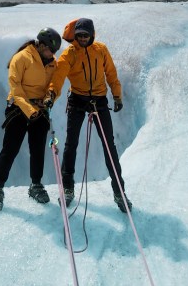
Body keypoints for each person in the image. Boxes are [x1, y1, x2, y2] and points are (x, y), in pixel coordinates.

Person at [45, 18, 132, 213]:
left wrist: (117, 95)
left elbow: (110, 73)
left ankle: (120, 192)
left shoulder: (101, 50)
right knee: (71, 144)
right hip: (77, 100)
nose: (83, 38)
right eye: (79, 35)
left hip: (99, 101)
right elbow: (58, 77)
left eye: (86, 35)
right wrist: (51, 94)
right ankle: (68, 188)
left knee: (109, 146)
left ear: (92, 34)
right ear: (75, 36)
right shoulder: (69, 54)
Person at [0, 27, 62, 212]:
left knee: (37, 149)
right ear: (41, 45)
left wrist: (51, 97)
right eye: (50, 50)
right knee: (10, 148)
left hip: (40, 108)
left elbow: (54, 85)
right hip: (18, 107)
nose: (52, 55)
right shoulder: (21, 58)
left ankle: (35, 185)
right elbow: (15, 88)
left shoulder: (52, 63)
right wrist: (30, 111)